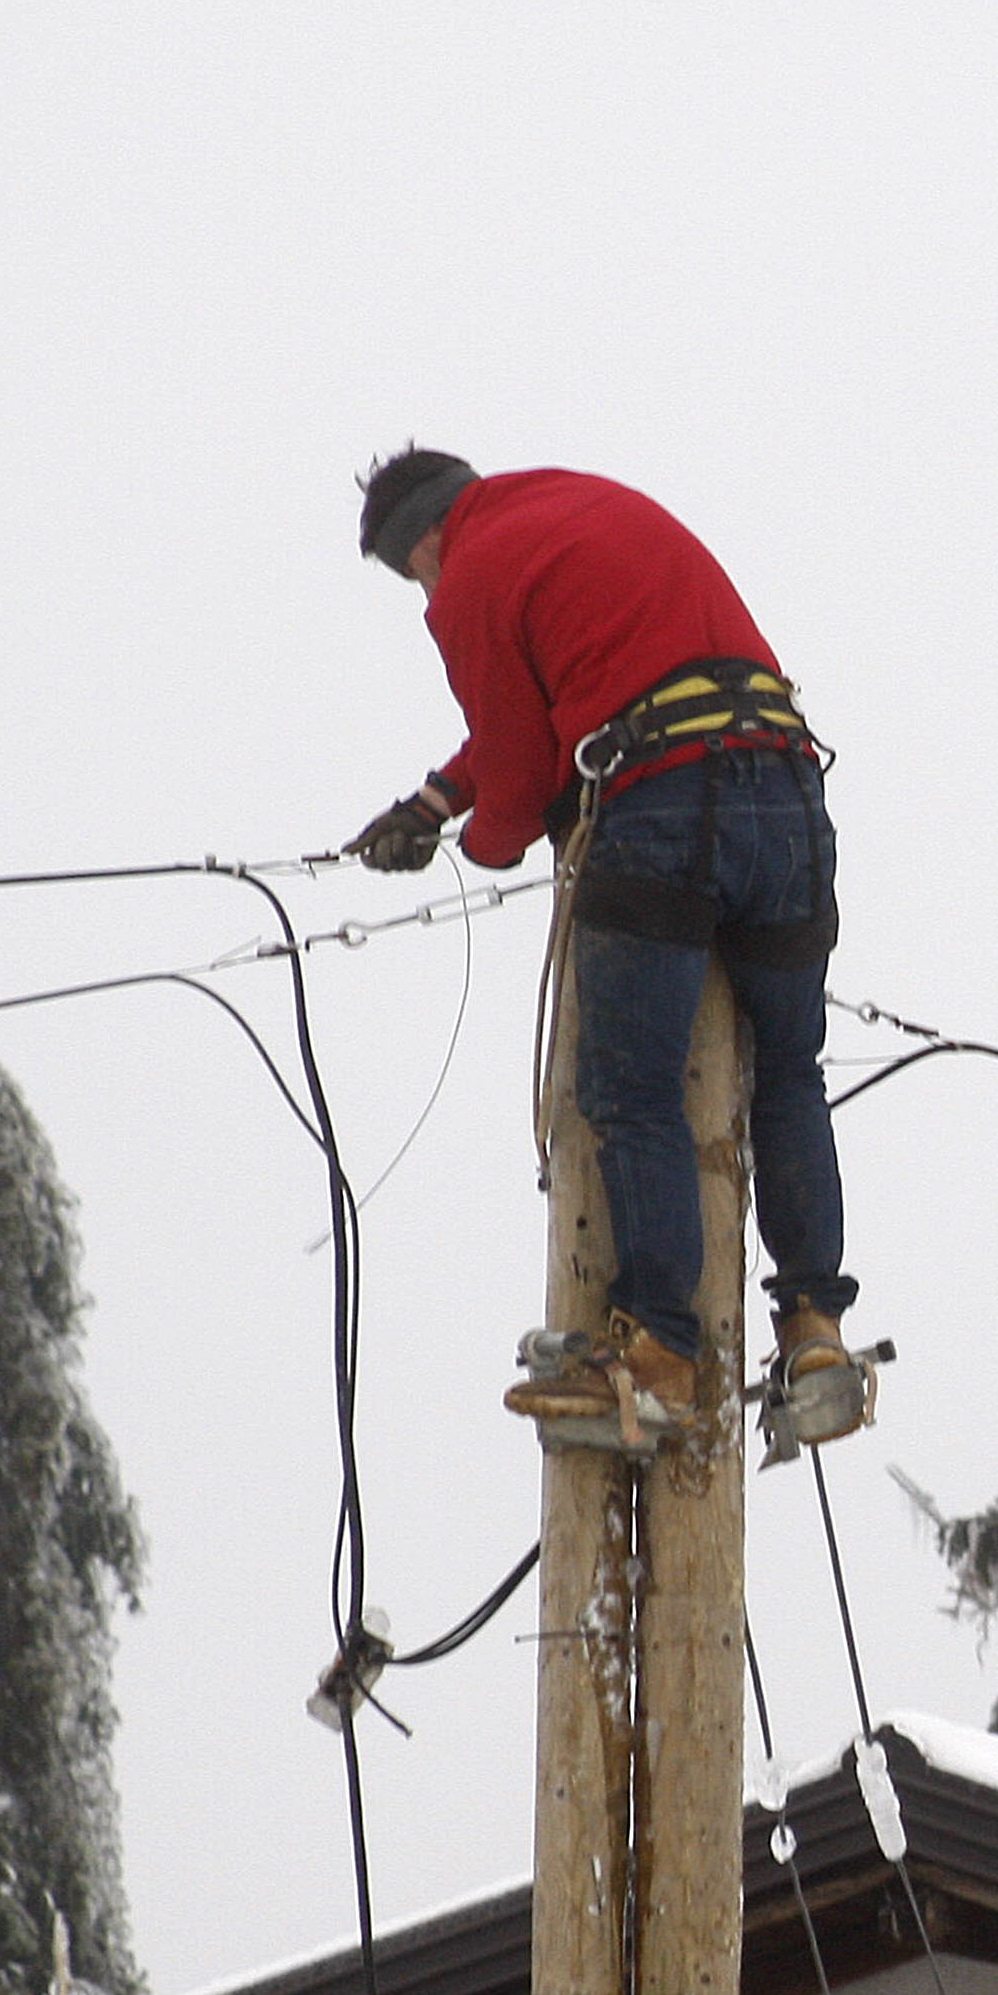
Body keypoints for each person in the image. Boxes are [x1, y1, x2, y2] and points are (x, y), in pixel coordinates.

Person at [344, 447, 862, 1445]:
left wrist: (481, 839)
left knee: (629, 1089)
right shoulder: (574, 508)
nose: (423, 593)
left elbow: (522, 760)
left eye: (412, 575)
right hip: (787, 787)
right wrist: (431, 802)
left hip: (665, 810)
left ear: (419, 543)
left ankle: (659, 1353)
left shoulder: (468, 577)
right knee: (791, 1069)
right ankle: (815, 1333)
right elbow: (578, 686)